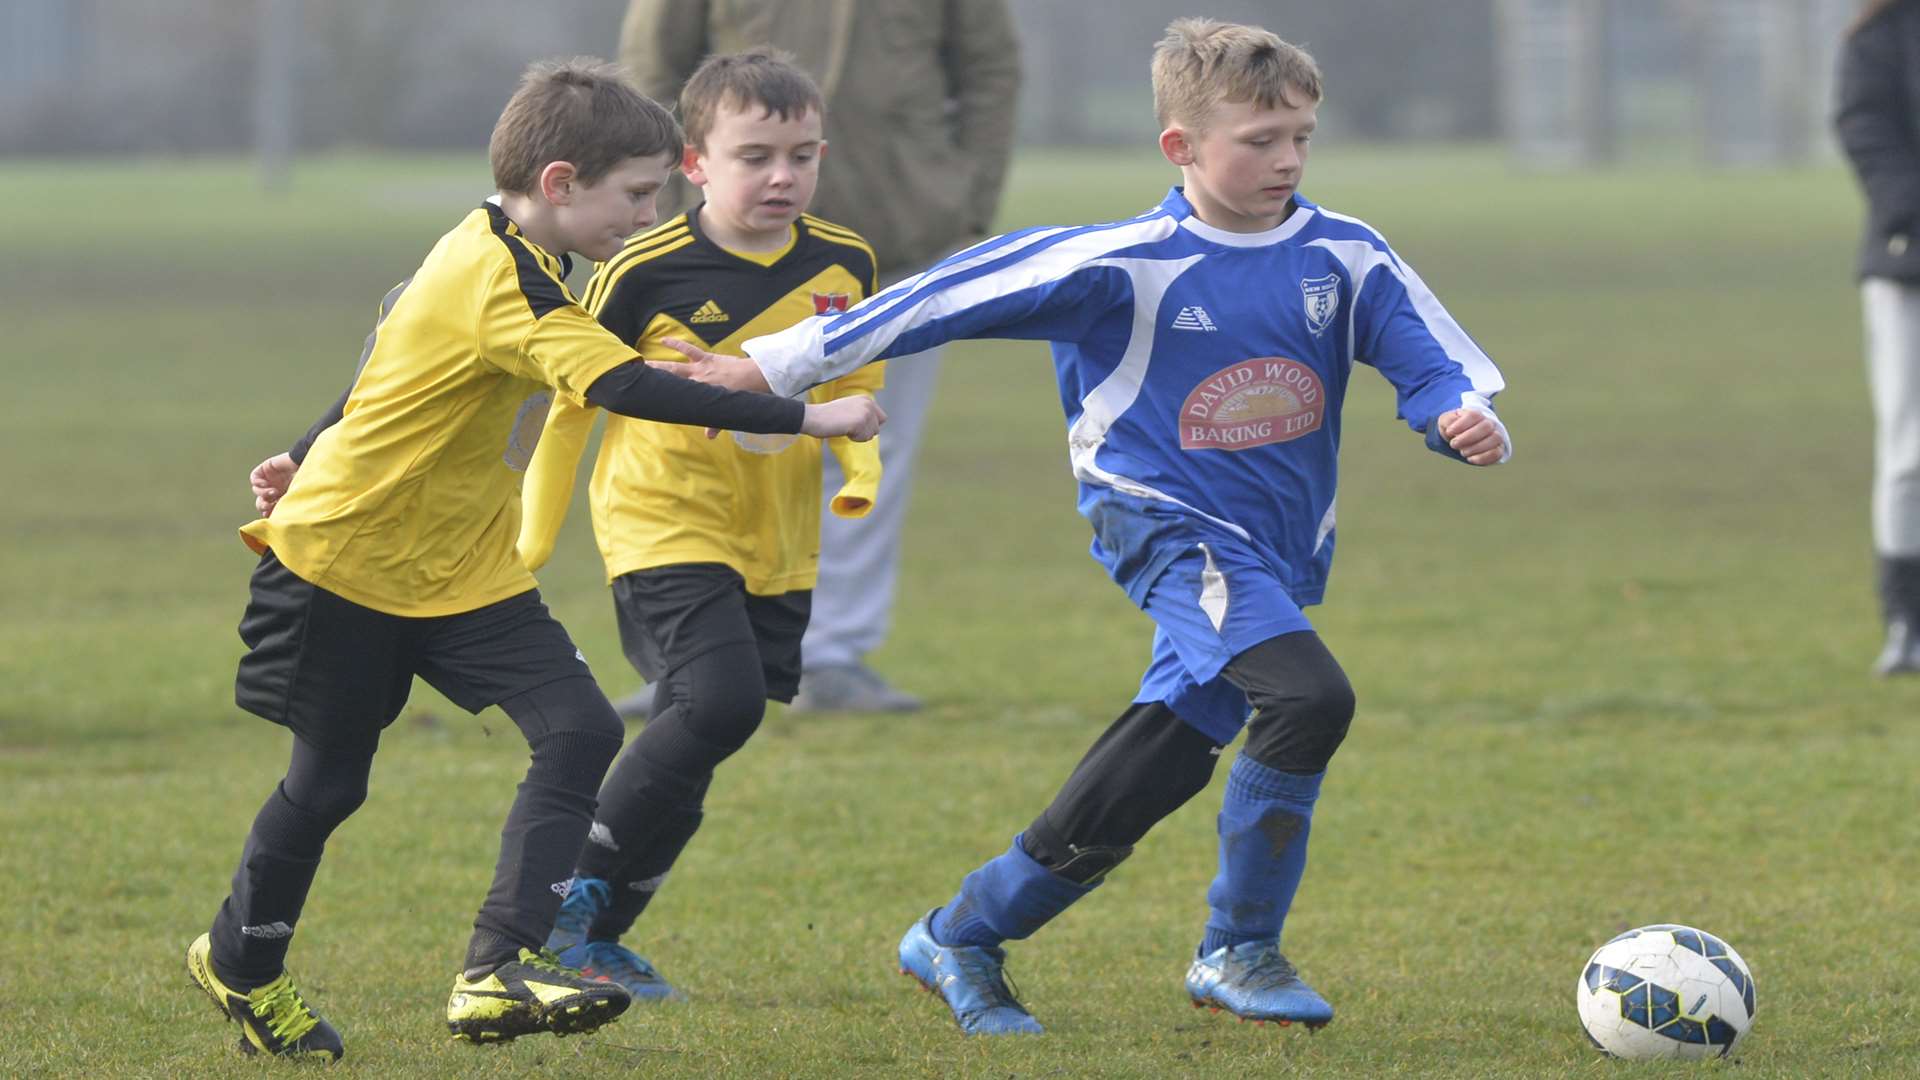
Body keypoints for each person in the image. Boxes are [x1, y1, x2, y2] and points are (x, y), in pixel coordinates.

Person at [659, 19, 1513, 1035]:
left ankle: (963, 932)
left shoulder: (1345, 253)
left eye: (1300, 136)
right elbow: (943, 295)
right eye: (1258, 138)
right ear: (1181, 148)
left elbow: (1431, 358)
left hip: (1274, 549)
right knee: (1308, 699)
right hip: (1163, 523)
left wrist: (1458, 415)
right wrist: (772, 364)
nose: (1286, 158)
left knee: (1164, 756)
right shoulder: (1121, 262)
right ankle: (1239, 949)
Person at [183, 57, 883, 1059]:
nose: (650, 216)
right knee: (331, 783)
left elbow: (387, 358)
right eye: (637, 194)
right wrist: (811, 415)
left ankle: (494, 970)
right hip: (340, 561)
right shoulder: (505, 281)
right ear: (560, 183)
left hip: (461, 570)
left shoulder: (517, 253)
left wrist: (301, 446)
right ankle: (240, 963)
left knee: (580, 729)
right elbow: (628, 387)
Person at [514, 47, 883, 1001]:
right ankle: (554, 904)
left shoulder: (848, 262)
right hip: (661, 521)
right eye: (755, 155)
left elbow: (858, 389)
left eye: (802, 156)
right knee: (719, 703)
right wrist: (531, 532)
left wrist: (860, 470)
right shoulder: (642, 264)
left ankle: (595, 936)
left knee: (713, 727)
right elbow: (569, 396)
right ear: (695, 165)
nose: (782, 177)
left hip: (779, 537)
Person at [617, 0, 1022, 714]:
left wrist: (965, 204)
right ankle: (688, 654)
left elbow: (990, 68)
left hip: (896, 235)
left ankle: (832, 655)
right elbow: (653, 62)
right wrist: (664, 191)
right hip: (724, 245)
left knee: (869, 441)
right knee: (695, 433)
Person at [1836, 0, 1920, 676]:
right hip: (1910, 263)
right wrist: (1909, 210)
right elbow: (1866, 123)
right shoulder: (1887, 29)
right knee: (1911, 447)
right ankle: (1908, 622)